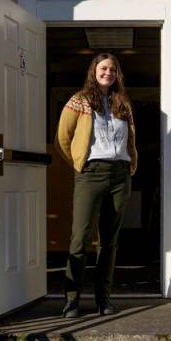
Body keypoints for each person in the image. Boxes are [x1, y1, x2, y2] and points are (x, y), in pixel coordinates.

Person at [55, 53, 137, 318]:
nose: (108, 73)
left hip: (119, 175)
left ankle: (104, 300)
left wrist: (129, 166)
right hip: (91, 173)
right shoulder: (78, 101)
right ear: (94, 71)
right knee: (80, 238)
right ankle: (71, 301)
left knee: (109, 242)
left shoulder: (122, 103)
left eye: (113, 69)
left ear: (117, 74)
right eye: (103, 68)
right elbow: (62, 139)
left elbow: (130, 140)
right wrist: (80, 164)